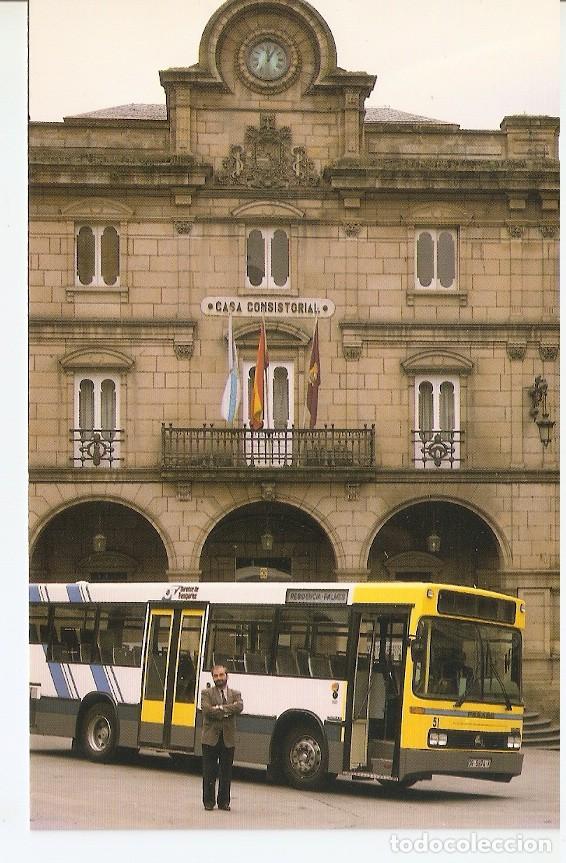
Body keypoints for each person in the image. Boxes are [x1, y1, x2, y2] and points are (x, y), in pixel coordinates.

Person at [200, 664, 243, 811]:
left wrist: (219, 708)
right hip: (210, 738)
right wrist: (228, 710)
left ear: (227, 676)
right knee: (209, 772)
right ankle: (208, 802)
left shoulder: (235, 694)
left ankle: (224, 802)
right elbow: (207, 710)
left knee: (226, 772)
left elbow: (239, 707)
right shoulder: (206, 693)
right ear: (213, 678)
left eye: (221, 675)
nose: (219, 678)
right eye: (215, 676)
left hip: (228, 738)